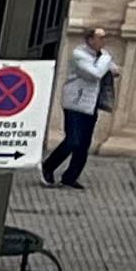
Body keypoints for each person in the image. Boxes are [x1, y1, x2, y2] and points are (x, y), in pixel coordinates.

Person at [50, 25, 114, 190]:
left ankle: (70, 177)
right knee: (73, 140)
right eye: (100, 37)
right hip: (75, 104)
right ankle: (48, 167)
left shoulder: (100, 57)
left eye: (104, 37)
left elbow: (114, 70)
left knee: (84, 145)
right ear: (90, 39)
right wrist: (106, 59)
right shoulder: (80, 55)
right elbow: (95, 73)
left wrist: (107, 63)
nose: (103, 41)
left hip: (91, 105)